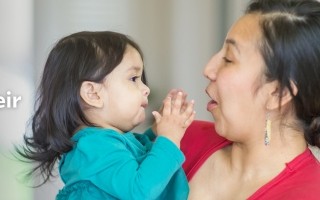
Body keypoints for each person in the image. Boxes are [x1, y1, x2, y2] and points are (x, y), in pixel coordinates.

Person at [16, 31, 196, 199]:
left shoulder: (103, 143)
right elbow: (139, 191)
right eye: (134, 79)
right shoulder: (94, 147)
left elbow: (135, 156)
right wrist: (169, 139)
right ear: (93, 94)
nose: (146, 89)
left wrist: (157, 132)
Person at [180, 0, 320, 199]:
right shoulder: (179, 139)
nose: (208, 70)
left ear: (277, 93)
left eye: (228, 59)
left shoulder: (308, 194)